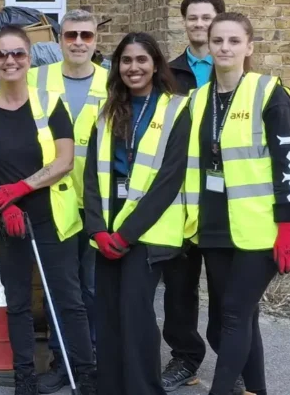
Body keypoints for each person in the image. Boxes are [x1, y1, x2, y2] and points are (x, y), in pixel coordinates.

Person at [0, 26, 97, 395]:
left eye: (18, 53)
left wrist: (21, 189)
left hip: (51, 217)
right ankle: (24, 378)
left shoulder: (51, 104)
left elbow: (65, 160)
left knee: (69, 301)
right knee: (17, 303)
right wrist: (1, 203)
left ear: (29, 59)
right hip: (6, 223)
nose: (10, 61)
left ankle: (85, 373)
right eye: (2, 55)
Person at [184, 12, 290, 395]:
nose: (225, 47)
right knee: (235, 319)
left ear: (249, 47)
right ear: (209, 44)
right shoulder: (197, 100)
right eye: (218, 40)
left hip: (260, 229)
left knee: (234, 314)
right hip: (214, 227)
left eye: (234, 41)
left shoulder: (269, 93)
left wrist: (287, 228)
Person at [83, 32, 190, 395]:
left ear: (156, 64)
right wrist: (96, 229)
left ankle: (144, 389)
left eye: (141, 60)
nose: (134, 68)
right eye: (126, 61)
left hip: (148, 233)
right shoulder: (107, 112)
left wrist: (124, 235)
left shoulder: (176, 109)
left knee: (135, 315)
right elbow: (92, 176)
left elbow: (169, 179)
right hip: (107, 231)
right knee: (108, 316)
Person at [26, 9, 106, 393]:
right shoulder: (35, 78)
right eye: (71, 35)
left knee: (92, 288)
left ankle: (88, 362)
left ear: (95, 41)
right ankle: (62, 363)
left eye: (86, 36)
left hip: (95, 204)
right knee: (61, 289)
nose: (78, 42)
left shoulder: (112, 84)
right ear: (59, 39)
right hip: (51, 201)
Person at [160, 0, 226, 392]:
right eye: (193, 18)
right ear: (184, 22)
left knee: (225, 291)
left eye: (207, 18)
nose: (200, 25)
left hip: (222, 200)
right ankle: (185, 357)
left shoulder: (235, 70)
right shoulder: (168, 74)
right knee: (179, 288)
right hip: (180, 197)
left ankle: (232, 362)